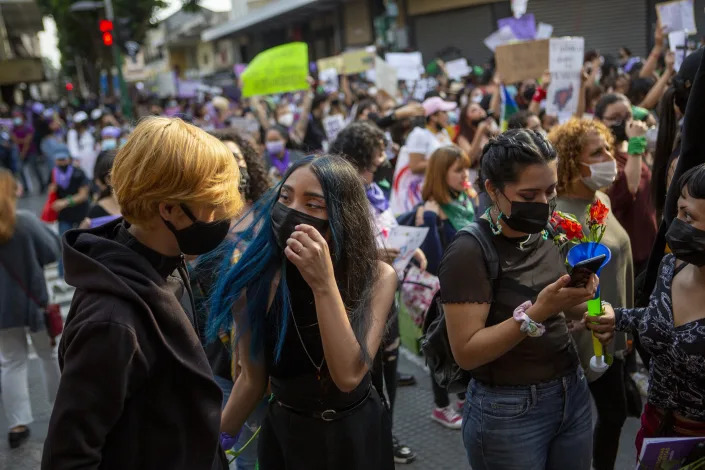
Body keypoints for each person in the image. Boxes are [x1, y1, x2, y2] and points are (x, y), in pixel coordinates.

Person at [41, 117, 242, 470]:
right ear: (168, 210)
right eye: (211, 204)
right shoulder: (112, 321)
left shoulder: (165, 264)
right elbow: (68, 456)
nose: (220, 216)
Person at [209, 154, 397, 469]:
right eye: (285, 197)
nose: (292, 211)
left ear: (341, 216)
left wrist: (323, 284)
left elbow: (348, 375)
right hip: (287, 436)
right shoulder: (255, 279)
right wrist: (216, 442)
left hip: (354, 434)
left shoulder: (376, 276)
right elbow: (252, 380)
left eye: (313, 205)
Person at [440, 129, 603, 470]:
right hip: (508, 412)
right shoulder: (469, 251)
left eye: (551, 190)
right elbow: (467, 352)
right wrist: (538, 312)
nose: (544, 203)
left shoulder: (551, 230)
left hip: (571, 394)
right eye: (529, 194)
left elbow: (565, 303)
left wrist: (592, 307)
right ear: (492, 190)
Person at [590, 164, 705, 456]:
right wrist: (618, 317)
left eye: (688, 216)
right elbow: (659, 318)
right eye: (678, 211)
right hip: (655, 430)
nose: (676, 224)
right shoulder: (670, 266)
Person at [330, 121, 424, 465]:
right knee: (364, 376)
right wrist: (368, 255)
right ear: (361, 156)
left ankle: (388, 431)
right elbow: (334, 249)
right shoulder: (338, 197)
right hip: (357, 299)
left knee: (389, 366)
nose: (385, 158)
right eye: (379, 151)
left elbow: (387, 227)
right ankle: (368, 438)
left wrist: (409, 247)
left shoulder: (376, 192)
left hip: (388, 293)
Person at [550, 118, 634, 470]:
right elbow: (557, 285)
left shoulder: (601, 200)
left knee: (614, 415)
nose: (609, 158)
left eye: (608, 148)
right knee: (596, 419)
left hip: (614, 329)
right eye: (597, 152)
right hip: (583, 338)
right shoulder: (556, 216)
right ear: (570, 161)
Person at [202, 128, 272, 470]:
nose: (233, 167)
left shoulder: (273, 211)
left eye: (239, 159)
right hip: (222, 361)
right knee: (243, 455)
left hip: (268, 352)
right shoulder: (201, 220)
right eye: (223, 160)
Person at [412, 145, 475, 429]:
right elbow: (434, 261)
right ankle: (441, 407)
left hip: (466, 288)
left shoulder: (464, 200)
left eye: (466, 167)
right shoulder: (430, 210)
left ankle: (462, 395)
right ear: (441, 173)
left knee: (462, 345)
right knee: (439, 347)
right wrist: (428, 219)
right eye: (458, 169)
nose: (465, 174)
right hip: (439, 294)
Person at [0, 168, 61, 449]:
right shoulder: (23, 221)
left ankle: (17, 424)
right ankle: (61, 410)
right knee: (48, 355)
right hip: (35, 303)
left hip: (3, 310)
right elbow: (52, 251)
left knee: (12, 361)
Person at [594, 93, 657, 276]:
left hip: (647, 244)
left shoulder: (628, 149)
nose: (623, 122)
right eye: (614, 118)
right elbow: (630, 188)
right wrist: (636, 143)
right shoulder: (603, 158)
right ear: (598, 120)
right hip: (628, 251)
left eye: (627, 116)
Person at [390, 97, 456, 215]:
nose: (448, 116)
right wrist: (442, 161)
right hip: (419, 196)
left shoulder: (443, 133)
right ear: (433, 117)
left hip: (439, 190)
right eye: (444, 112)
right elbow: (415, 166)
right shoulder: (419, 135)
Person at [50, 147, 91, 277]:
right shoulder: (53, 174)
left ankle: (87, 272)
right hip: (64, 217)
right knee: (64, 245)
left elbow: (83, 195)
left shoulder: (78, 172)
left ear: (69, 159)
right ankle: (62, 275)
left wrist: (65, 202)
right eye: (58, 160)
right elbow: (50, 193)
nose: (61, 162)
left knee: (84, 244)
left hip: (80, 214)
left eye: (63, 159)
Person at [67, 111, 98, 180]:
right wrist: (77, 161)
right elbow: (73, 149)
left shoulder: (90, 131)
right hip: (81, 162)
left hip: (92, 160)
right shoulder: (73, 133)